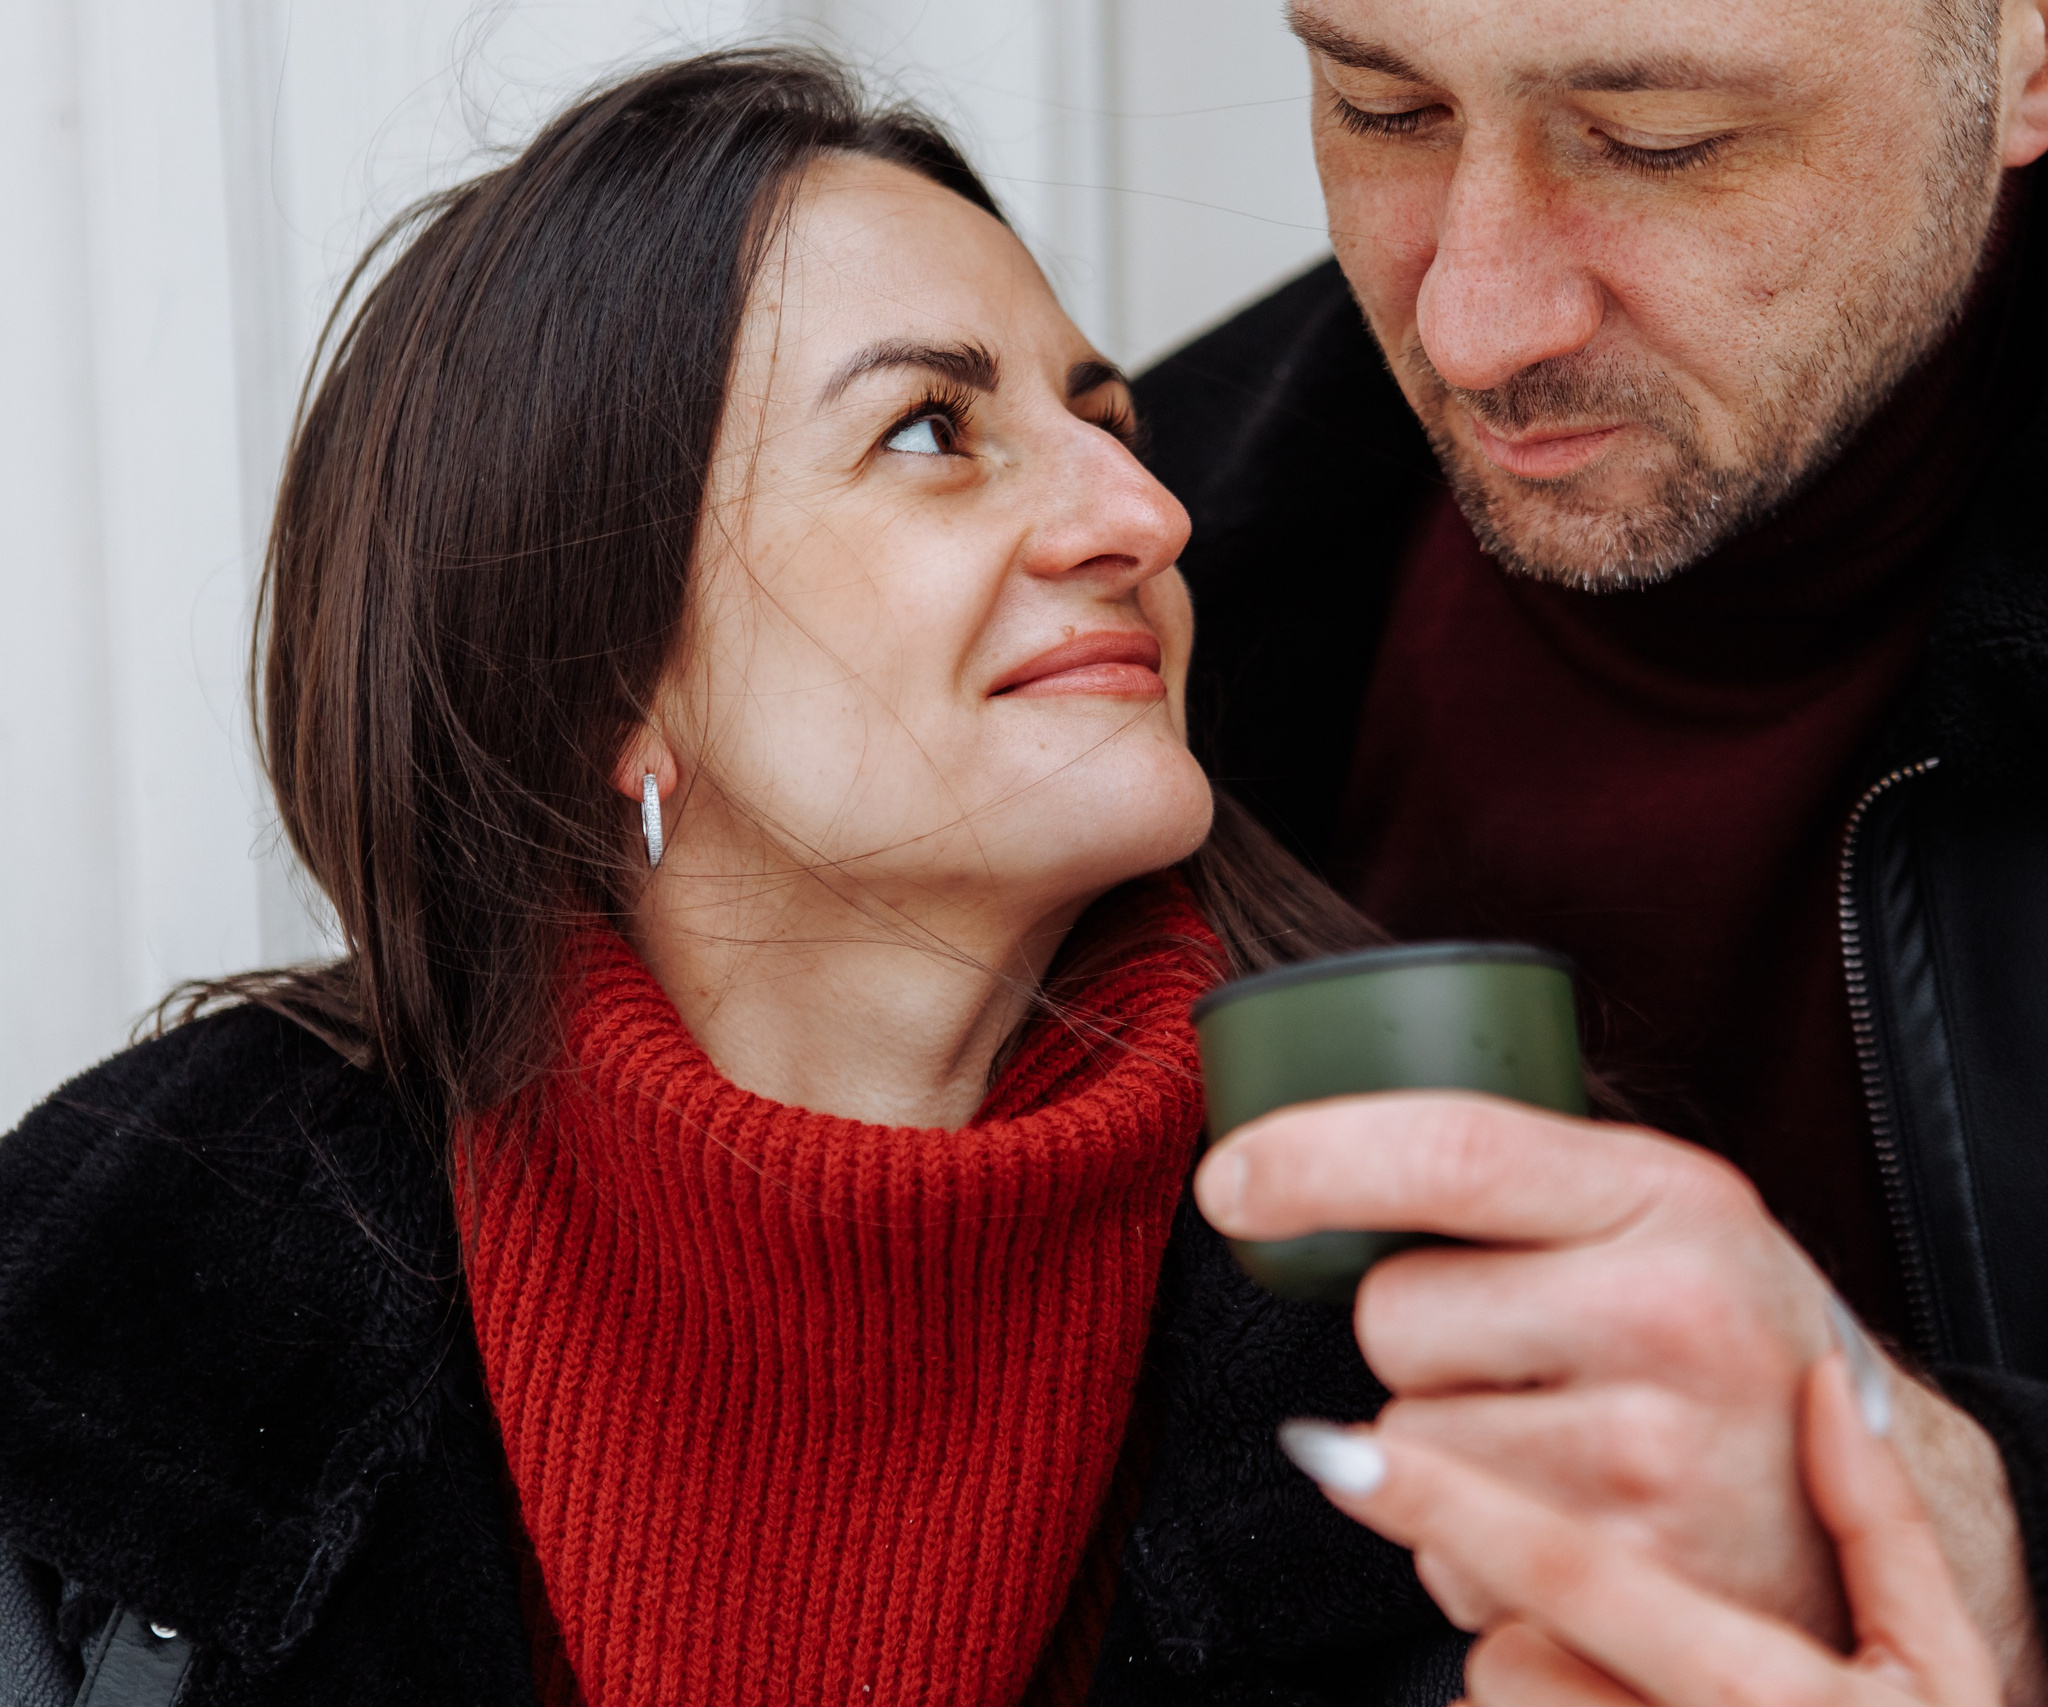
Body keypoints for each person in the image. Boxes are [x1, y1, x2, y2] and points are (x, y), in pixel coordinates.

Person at [0, 50, 1667, 1707]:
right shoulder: (104, 1300)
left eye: (1108, 424)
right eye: (933, 429)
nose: (1145, 514)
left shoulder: (1486, 1298)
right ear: (603, 683)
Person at [1135, 0, 2048, 1699]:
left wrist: (2025, 1576)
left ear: (2043, 38)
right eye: (1382, 107)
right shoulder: (1155, 559)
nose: (1473, 322)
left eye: (1660, 140)